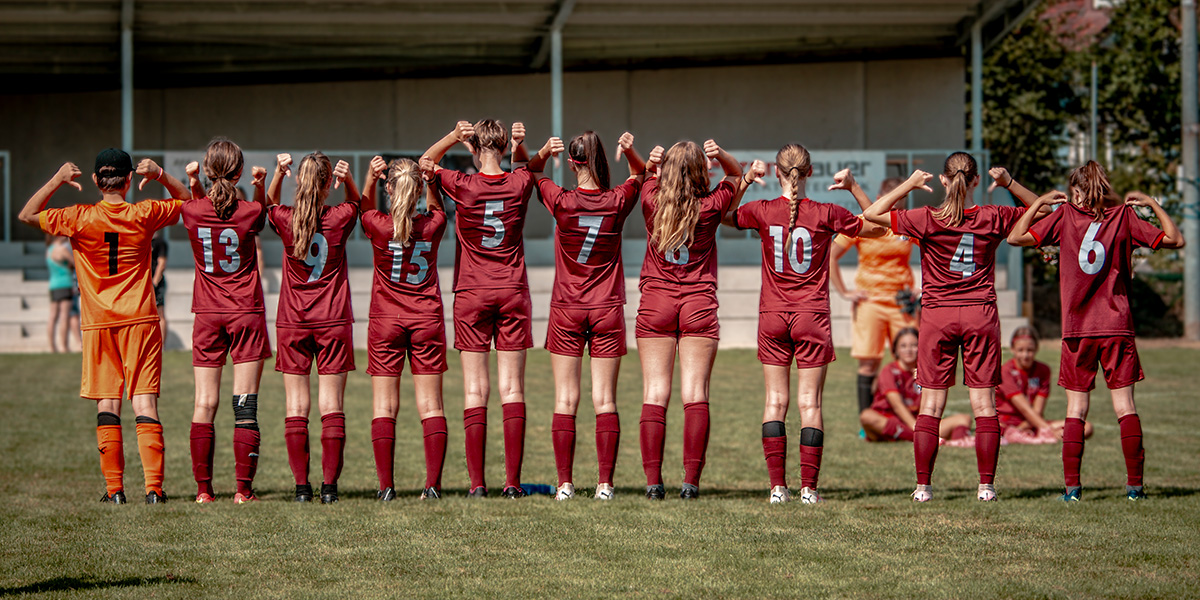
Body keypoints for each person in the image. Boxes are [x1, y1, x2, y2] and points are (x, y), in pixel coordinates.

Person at [862, 153, 1052, 503]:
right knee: (984, 405)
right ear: (977, 181)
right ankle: (986, 487)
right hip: (980, 314)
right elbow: (1044, 211)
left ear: (944, 180)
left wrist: (909, 185)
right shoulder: (993, 215)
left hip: (938, 317)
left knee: (931, 406)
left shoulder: (927, 218)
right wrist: (1009, 184)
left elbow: (872, 215)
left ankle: (923, 488)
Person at [18, 149, 188, 504]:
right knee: (145, 403)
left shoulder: (79, 217)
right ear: (129, 181)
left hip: (99, 325)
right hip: (140, 319)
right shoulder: (144, 212)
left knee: (107, 404)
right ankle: (154, 490)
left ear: (95, 181)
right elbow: (188, 200)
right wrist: (159, 175)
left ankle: (114, 491)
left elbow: (27, 214)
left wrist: (57, 179)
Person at [1008, 160, 1184, 501]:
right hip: (1117, 325)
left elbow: (1016, 237)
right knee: (1125, 407)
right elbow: (1175, 239)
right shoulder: (1124, 216)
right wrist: (1153, 206)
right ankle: (1135, 489)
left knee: (1076, 410)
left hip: (1078, 330)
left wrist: (1040, 203)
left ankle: (1072, 490)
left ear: (1076, 191)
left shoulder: (1062, 216)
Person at [726, 151, 885, 504]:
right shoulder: (827, 212)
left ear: (778, 172)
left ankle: (777, 489)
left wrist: (746, 180)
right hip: (811, 316)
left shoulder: (763, 210)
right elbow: (878, 225)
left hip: (773, 315)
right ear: (810, 172)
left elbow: (722, 215)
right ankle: (809, 490)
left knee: (775, 402)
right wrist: (855, 187)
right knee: (809, 404)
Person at [526, 131, 646, 501]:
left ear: (574, 162)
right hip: (607, 307)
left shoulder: (561, 199)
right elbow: (641, 174)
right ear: (600, 162)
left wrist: (545, 152)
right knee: (605, 401)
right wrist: (629, 151)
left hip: (567, 309)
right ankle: (605, 485)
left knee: (565, 400)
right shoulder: (617, 199)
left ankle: (564, 485)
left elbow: (530, 171)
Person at [420, 120, 535, 499]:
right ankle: (513, 483)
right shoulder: (519, 181)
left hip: (472, 291)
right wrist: (520, 145)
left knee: (475, 390)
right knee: (512, 388)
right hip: (512, 289)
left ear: (474, 149)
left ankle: (476, 485)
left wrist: (453, 136)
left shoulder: (462, 183)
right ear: (502, 147)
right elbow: (533, 168)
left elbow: (425, 162)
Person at [637, 138, 742, 500]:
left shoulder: (651, 199)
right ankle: (690, 483)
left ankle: (653, 483)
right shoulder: (712, 205)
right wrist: (720, 154)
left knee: (655, 393)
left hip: (656, 302)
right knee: (695, 394)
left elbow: (646, 175)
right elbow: (736, 174)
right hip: (698, 302)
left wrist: (654, 163)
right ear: (701, 171)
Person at [174, 139, 272, 504]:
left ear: (206, 169)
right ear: (240, 172)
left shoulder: (194, 209)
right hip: (245, 311)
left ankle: (203, 491)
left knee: (205, 402)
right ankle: (243, 491)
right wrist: (261, 183)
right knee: (244, 404)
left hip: (207, 314)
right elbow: (261, 208)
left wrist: (192, 181)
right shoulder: (249, 210)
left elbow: (197, 203)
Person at [266, 151, 359, 504]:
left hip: (293, 321)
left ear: (299, 181)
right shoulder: (339, 216)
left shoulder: (287, 218)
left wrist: (277, 173)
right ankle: (330, 488)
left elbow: (268, 204)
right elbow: (358, 202)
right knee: (331, 403)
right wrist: (347, 180)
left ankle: (302, 488)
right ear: (326, 184)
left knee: (296, 405)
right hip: (333, 319)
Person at [360, 155, 449, 501]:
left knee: (384, 406)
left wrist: (369, 176)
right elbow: (436, 207)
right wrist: (431, 183)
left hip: (386, 320)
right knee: (431, 405)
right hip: (426, 317)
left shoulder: (379, 224)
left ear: (390, 189)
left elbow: (362, 206)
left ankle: (386, 488)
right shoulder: (434, 224)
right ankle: (432, 487)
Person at [829, 177, 919, 417]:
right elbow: (830, 256)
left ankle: (917, 416)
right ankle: (867, 420)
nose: (897, 208)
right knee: (869, 362)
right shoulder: (862, 223)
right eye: (894, 202)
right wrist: (845, 292)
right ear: (881, 199)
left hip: (903, 303)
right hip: (870, 302)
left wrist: (923, 288)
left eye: (902, 203)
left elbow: (936, 248)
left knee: (913, 360)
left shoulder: (907, 222)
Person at [859, 328, 973, 442]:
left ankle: (957, 443)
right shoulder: (889, 370)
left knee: (964, 419)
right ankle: (919, 438)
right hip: (888, 422)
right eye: (903, 346)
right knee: (867, 416)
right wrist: (914, 427)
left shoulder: (925, 372)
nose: (908, 350)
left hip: (918, 425)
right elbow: (896, 405)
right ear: (896, 350)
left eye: (913, 345)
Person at [995, 325, 1092, 445]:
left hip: (1032, 421)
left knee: (1086, 427)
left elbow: (1038, 409)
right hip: (1007, 423)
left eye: (1029, 350)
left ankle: (1035, 434)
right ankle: (1023, 434)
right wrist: (1048, 429)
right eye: (1020, 350)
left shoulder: (1043, 370)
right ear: (1012, 349)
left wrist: (1039, 427)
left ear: (1036, 349)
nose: (1025, 355)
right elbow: (1023, 408)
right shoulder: (1006, 371)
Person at [45, 234, 77, 352]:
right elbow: (75, 263)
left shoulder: (49, 250)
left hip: (53, 285)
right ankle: (64, 346)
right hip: (65, 283)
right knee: (64, 316)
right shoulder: (62, 249)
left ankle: (52, 347)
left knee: (52, 317)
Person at [151, 229, 169, 343]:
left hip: (156, 283)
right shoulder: (144, 239)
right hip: (144, 282)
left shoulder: (160, 242)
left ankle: (162, 346)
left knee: (160, 313)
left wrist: (155, 282)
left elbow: (161, 263)